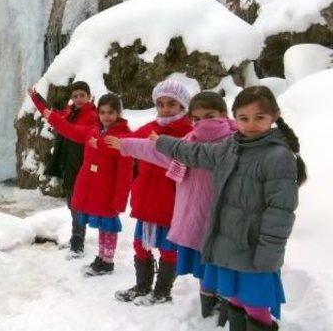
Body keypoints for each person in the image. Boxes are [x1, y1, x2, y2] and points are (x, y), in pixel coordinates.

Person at [153, 86, 306, 330]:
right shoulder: (231, 146)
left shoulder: (278, 157)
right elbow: (196, 152)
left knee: (255, 306)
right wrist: (162, 142)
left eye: (260, 118)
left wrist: (268, 255)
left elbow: (281, 212)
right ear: (234, 118)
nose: (251, 124)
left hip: (255, 250)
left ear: (274, 116)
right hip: (226, 244)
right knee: (234, 297)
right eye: (244, 118)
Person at [106, 92, 236, 316]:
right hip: (160, 204)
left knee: (208, 261)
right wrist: (125, 144)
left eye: (210, 116)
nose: (203, 123)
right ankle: (154, 289)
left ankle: (208, 303)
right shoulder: (190, 140)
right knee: (147, 246)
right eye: (198, 119)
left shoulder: (230, 143)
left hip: (194, 211)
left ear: (223, 115)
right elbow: (152, 150)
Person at [114, 79, 193, 305]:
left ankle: (162, 291)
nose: (165, 109)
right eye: (160, 104)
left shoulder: (188, 132)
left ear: (182, 106)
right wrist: (103, 139)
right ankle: (142, 286)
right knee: (140, 244)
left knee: (168, 249)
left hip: (170, 202)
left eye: (171, 104)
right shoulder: (150, 127)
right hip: (146, 199)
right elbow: (125, 141)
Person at [40, 93, 133, 276]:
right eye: (103, 112)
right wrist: (51, 116)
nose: (106, 116)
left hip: (108, 191)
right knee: (101, 227)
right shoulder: (93, 131)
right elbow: (70, 130)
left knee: (109, 227)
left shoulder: (122, 137)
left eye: (111, 112)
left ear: (118, 113)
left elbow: (125, 172)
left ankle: (107, 261)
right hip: (94, 189)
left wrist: (120, 199)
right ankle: (101, 257)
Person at [28, 82, 97, 258]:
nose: (78, 99)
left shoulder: (92, 115)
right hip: (69, 164)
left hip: (81, 166)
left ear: (89, 96)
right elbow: (50, 113)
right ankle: (76, 239)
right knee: (72, 204)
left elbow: (74, 131)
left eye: (82, 95)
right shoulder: (70, 113)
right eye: (75, 96)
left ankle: (78, 244)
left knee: (78, 205)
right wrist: (35, 97)